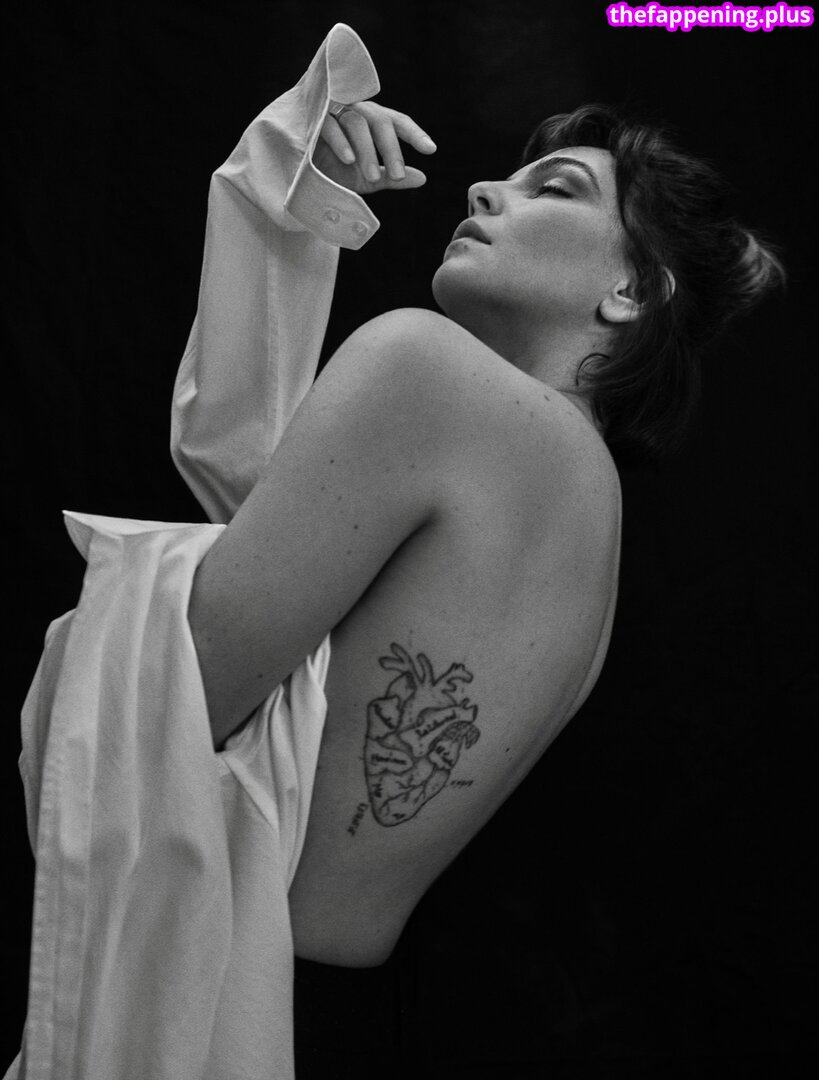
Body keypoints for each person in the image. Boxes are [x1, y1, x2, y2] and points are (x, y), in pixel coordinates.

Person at [6, 21, 783, 1080]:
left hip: (230, 1008)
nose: (482, 191)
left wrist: (275, 199)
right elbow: (288, 540)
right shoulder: (586, 511)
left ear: (632, 292)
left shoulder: (426, 368)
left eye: (553, 190)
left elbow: (175, 701)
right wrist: (291, 216)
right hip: (356, 1019)